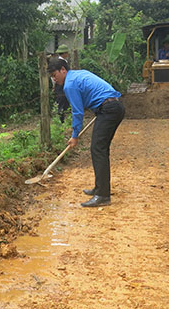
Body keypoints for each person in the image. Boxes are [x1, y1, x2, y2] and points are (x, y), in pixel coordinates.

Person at [47, 58, 125, 207]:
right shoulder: (78, 74)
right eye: (51, 76)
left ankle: (103, 195)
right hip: (113, 106)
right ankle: (100, 188)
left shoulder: (69, 84)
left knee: (98, 149)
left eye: (54, 74)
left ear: (63, 69)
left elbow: (77, 112)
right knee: (101, 149)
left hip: (108, 109)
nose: (54, 79)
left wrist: (75, 136)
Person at [54, 44, 71, 123]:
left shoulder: (63, 62)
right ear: (64, 53)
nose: (67, 54)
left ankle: (62, 119)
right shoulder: (59, 63)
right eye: (66, 52)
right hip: (61, 85)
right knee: (61, 101)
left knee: (64, 101)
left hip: (63, 85)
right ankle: (61, 120)